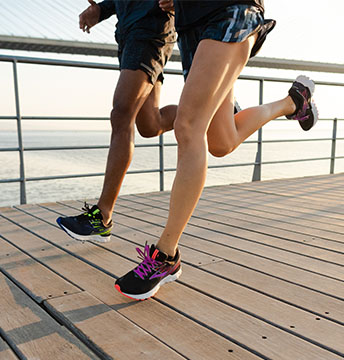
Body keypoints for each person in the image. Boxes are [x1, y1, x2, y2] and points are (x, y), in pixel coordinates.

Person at [114, 0, 318, 300]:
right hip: (191, 27)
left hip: (228, 10)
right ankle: (294, 102)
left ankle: (165, 256)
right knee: (222, 141)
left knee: (187, 126)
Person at [56, 0, 178, 242]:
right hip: (127, 33)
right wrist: (101, 10)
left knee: (122, 113)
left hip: (151, 29)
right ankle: (218, 111)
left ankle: (102, 216)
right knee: (150, 124)